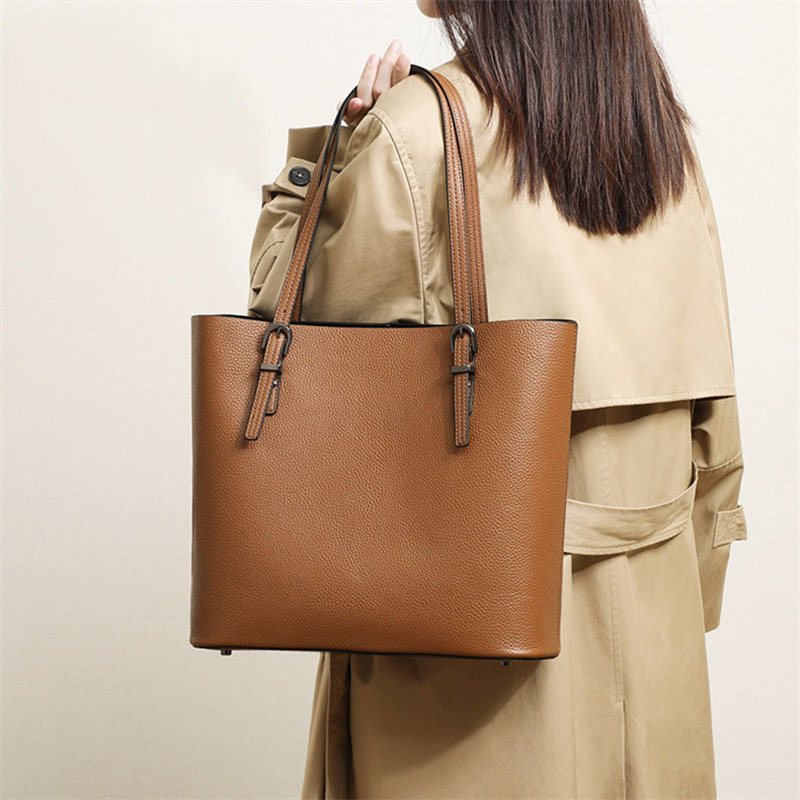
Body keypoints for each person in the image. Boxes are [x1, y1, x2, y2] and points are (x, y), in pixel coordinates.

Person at [246, 1, 748, 796]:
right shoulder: (663, 144)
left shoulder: (416, 132)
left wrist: (322, 166)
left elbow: (290, 343)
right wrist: (679, 612)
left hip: (465, 694)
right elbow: (714, 439)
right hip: (658, 682)